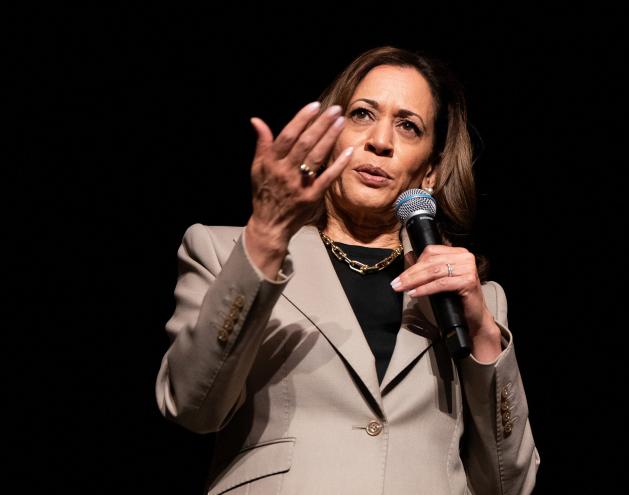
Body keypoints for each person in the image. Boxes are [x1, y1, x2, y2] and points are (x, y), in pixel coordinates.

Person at [155, 46, 539, 495]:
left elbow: (510, 483)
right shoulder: (228, 252)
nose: (381, 141)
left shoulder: (476, 297)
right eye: (362, 115)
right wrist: (266, 238)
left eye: (408, 126)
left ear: (430, 171)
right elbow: (192, 408)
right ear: (329, 136)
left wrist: (483, 335)